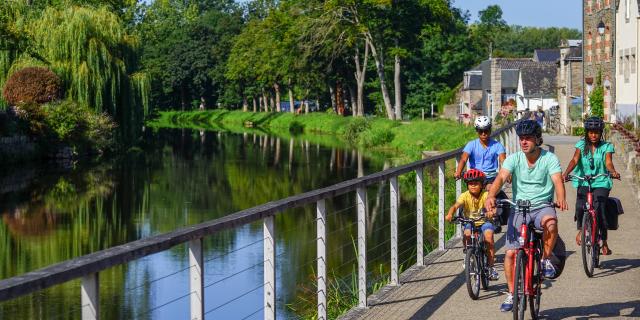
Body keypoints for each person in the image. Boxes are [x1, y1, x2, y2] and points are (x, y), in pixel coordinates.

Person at [484, 120, 568, 312]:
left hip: (542, 206)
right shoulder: (514, 159)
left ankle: (545, 259)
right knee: (511, 253)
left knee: (551, 224)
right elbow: (500, 178)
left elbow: (557, 181)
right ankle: (512, 293)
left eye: (528, 138)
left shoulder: (549, 159)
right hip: (519, 208)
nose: (523, 142)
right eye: (521, 138)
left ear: (537, 139)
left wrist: (561, 198)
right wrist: (490, 196)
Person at [562, 116, 620, 255]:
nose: (593, 135)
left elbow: (608, 163)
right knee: (580, 205)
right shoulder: (581, 145)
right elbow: (575, 160)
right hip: (584, 180)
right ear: (587, 132)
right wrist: (565, 173)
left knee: (599, 207)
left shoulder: (606, 146)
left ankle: (604, 240)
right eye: (591, 132)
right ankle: (581, 231)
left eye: (596, 132)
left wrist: (613, 172)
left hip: (601, 181)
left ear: (601, 133)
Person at [445, 169, 500, 281]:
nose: (473, 186)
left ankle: (491, 267)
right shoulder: (464, 196)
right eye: (470, 184)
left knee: (489, 236)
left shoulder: (486, 194)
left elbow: (493, 206)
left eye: (476, 183)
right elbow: (455, 206)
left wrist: (491, 212)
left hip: (484, 221)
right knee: (467, 233)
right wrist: (450, 213)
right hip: (469, 222)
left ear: (482, 184)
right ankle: (468, 254)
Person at [455, 116, 506, 189]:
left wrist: (507, 173)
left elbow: (503, 161)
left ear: (490, 130)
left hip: (491, 178)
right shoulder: (471, 145)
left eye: (486, 130)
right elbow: (463, 159)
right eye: (480, 131)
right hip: (475, 177)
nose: (483, 133)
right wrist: (458, 171)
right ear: (477, 131)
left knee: (490, 189)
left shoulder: (497, 145)